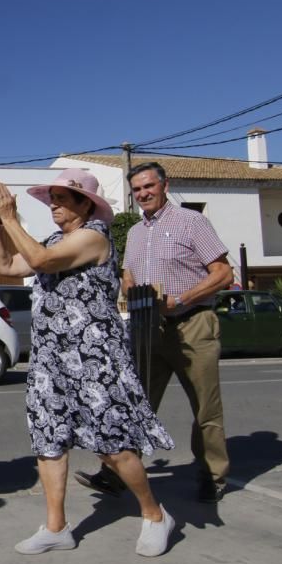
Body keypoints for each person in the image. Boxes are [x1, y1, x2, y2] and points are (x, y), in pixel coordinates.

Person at [0, 168, 175, 557]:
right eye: (52, 199)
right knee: (49, 443)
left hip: (95, 360)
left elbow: (42, 260)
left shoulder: (93, 238)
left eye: (63, 199)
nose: (54, 206)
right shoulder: (50, 238)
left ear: (87, 205)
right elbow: (7, 267)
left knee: (113, 446)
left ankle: (154, 514)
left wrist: (12, 218)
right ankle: (56, 527)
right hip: (51, 360)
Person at [75, 161, 233, 504]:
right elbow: (129, 274)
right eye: (137, 189)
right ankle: (117, 475)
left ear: (164, 185)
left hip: (192, 324)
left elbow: (223, 274)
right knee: (136, 404)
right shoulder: (134, 233)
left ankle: (213, 476)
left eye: (149, 186)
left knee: (205, 409)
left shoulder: (192, 222)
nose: (144, 193)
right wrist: (130, 287)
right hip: (148, 328)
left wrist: (180, 299)